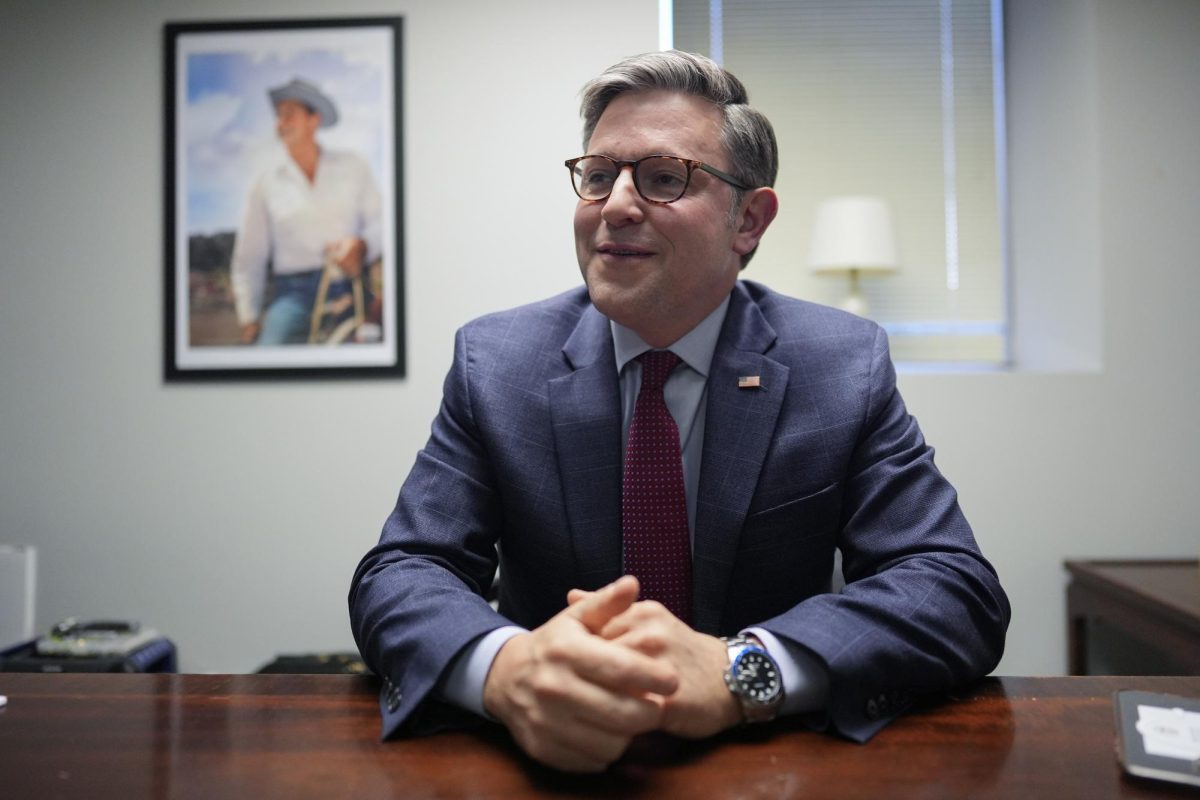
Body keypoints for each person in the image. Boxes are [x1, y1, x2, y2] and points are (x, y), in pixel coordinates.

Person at [349, 50, 1009, 773]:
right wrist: (507, 671)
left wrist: (743, 673)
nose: (617, 204)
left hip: (771, 768)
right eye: (599, 176)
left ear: (748, 220)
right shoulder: (498, 363)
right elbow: (404, 571)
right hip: (554, 765)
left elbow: (951, 587)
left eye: (664, 179)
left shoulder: (840, 365)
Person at [229, 77, 382, 345]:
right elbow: (249, 255)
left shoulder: (352, 166)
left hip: (352, 286)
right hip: (292, 294)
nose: (281, 123)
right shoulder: (265, 181)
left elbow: (382, 223)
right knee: (270, 359)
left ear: (314, 120)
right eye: (278, 116)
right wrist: (249, 317)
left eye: (290, 114)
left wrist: (362, 245)